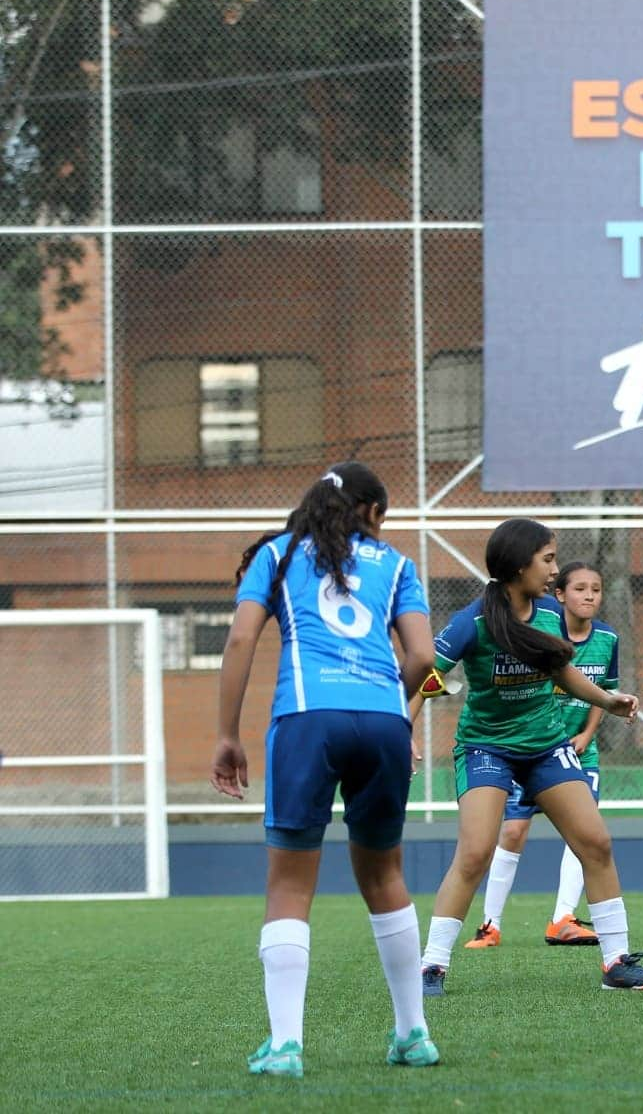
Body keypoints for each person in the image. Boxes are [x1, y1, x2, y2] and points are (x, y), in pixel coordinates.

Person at [211, 462, 440, 1078]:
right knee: (385, 875)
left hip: (307, 718)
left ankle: (286, 1045)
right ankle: (413, 1033)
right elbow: (422, 656)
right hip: (385, 723)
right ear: (372, 513)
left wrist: (228, 735)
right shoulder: (396, 565)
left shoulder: (277, 556)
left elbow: (239, 642)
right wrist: (389, 703)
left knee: (289, 885)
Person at [419, 520, 643, 993]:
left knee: (595, 843)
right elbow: (428, 675)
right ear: (518, 565)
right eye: (548, 559)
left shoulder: (551, 614)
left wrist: (606, 700)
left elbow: (564, 673)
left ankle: (616, 964)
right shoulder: (471, 621)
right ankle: (432, 966)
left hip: (546, 746)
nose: (555, 569)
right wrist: (404, 726)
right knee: (474, 854)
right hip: (485, 747)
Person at [464, 561, 618, 950]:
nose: (589, 596)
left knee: (585, 835)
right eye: (580, 589)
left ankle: (563, 917)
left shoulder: (608, 638)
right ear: (560, 596)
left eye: (596, 589)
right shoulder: (539, 626)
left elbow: (604, 690)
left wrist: (586, 734)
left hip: (579, 753)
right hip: (531, 747)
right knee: (512, 831)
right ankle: (489, 924)